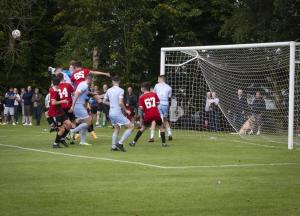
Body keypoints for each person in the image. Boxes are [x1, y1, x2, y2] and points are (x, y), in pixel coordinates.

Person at [130, 82, 167, 147]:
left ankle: (133, 142)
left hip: (148, 115)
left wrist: (146, 108)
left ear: (143, 89)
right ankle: (164, 144)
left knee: (143, 128)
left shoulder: (142, 97)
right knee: (161, 128)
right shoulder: (154, 94)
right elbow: (158, 103)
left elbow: (141, 108)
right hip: (156, 114)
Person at [103, 76, 134, 152]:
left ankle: (113, 147)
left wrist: (112, 104)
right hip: (117, 112)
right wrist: (126, 110)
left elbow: (104, 101)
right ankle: (120, 143)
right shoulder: (121, 90)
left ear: (112, 82)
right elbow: (120, 103)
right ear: (119, 81)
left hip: (111, 112)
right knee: (131, 126)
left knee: (117, 129)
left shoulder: (109, 90)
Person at [69, 75, 94, 146]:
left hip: (78, 105)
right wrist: (72, 106)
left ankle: (82, 141)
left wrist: (93, 94)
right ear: (89, 80)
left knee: (85, 123)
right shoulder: (85, 85)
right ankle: (72, 131)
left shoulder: (82, 84)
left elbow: (81, 93)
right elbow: (76, 94)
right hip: (78, 105)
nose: (92, 82)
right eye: (92, 81)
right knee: (89, 122)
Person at [48, 77, 72, 148]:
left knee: (69, 124)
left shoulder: (55, 89)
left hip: (60, 111)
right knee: (62, 129)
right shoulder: (54, 91)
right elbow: (53, 103)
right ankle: (55, 144)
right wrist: (63, 101)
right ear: (59, 83)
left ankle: (61, 138)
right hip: (56, 113)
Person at [153, 75, 172, 141]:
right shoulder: (169, 87)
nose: (157, 80)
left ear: (161, 79)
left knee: (159, 120)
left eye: (158, 78)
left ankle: (156, 135)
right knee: (165, 119)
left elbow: (153, 94)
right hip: (165, 104)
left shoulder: (156, 85)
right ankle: (169, 134)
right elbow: (169, 97)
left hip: (159, 104)